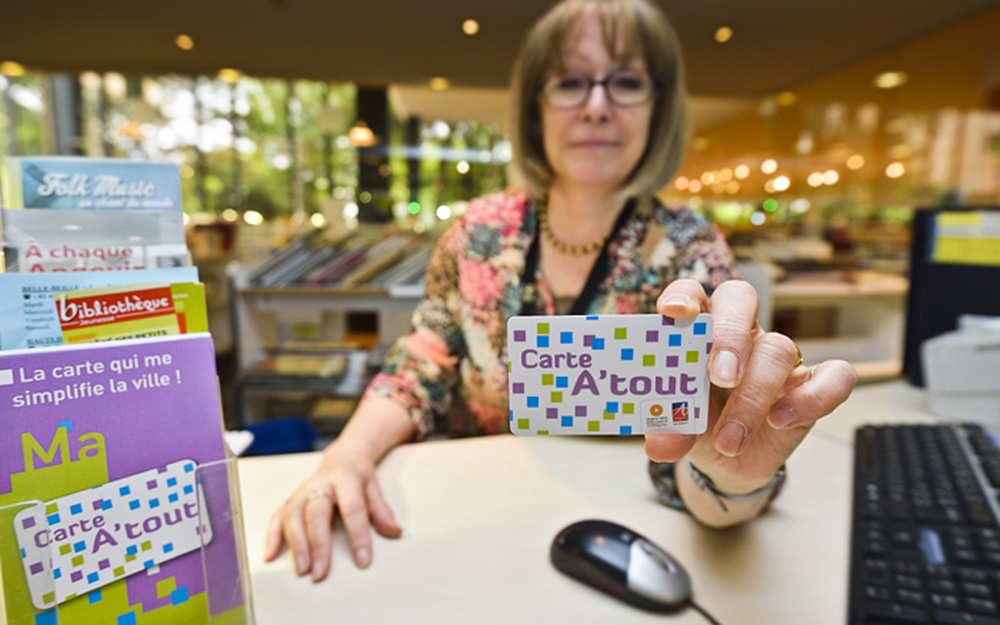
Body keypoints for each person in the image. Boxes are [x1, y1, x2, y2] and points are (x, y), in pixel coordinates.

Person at [264, 0, 858, 582]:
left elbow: (703, 444)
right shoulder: (478, 232)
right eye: (570, 82)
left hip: (625, 522)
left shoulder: (688, 247)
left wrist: (733, 472)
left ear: (658, 108)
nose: (596, 107)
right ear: (535, 108)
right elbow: (422, 362)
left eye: (627, 82)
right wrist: (347, 455)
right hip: (470, 527)